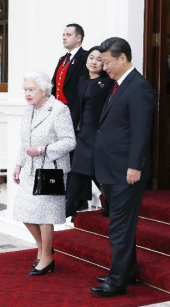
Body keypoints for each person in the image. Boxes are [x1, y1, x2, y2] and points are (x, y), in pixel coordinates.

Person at [90, 37, 154, 297]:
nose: (104, 66)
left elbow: (141, 131)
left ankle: (117, 282)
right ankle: (126, 271)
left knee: (120, 227)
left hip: (125, 171)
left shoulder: (138, 87)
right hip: (112, 169)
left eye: (107, 62)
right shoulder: (119, 85)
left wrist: (135, 166)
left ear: (122, 58)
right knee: (122, 226)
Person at [12, 71, 76, 275]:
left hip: (51, 170)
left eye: (31, 90)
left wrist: (43, 150)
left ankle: (46, 258)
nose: (27, 94)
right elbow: (25, 141)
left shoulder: (58, 109)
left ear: (43, 90)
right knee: (23, 211)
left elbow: (69, 141)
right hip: (30, 169)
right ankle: (43, 247)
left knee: (44, 215)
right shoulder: (28, 110)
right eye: (25, 90)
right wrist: (18, 164)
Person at [65, 46, 114, 219]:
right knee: (80, 168)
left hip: (98, 132)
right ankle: (70, 206)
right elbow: (78, 106)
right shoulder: (82, 80)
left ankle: (70, 206)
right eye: (91, 58)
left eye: (99, 59)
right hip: (83, 132)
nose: (94, 62)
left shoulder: (107, 83)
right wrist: (69, 129)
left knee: (87, 169)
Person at [51, 23, 88, 114]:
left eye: (68, 35)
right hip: (57, 108)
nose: (64, 37)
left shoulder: (85, 57)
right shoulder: (63, 59)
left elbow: (84, 86)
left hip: (73, 109)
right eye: (63, 35)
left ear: (78, 38)